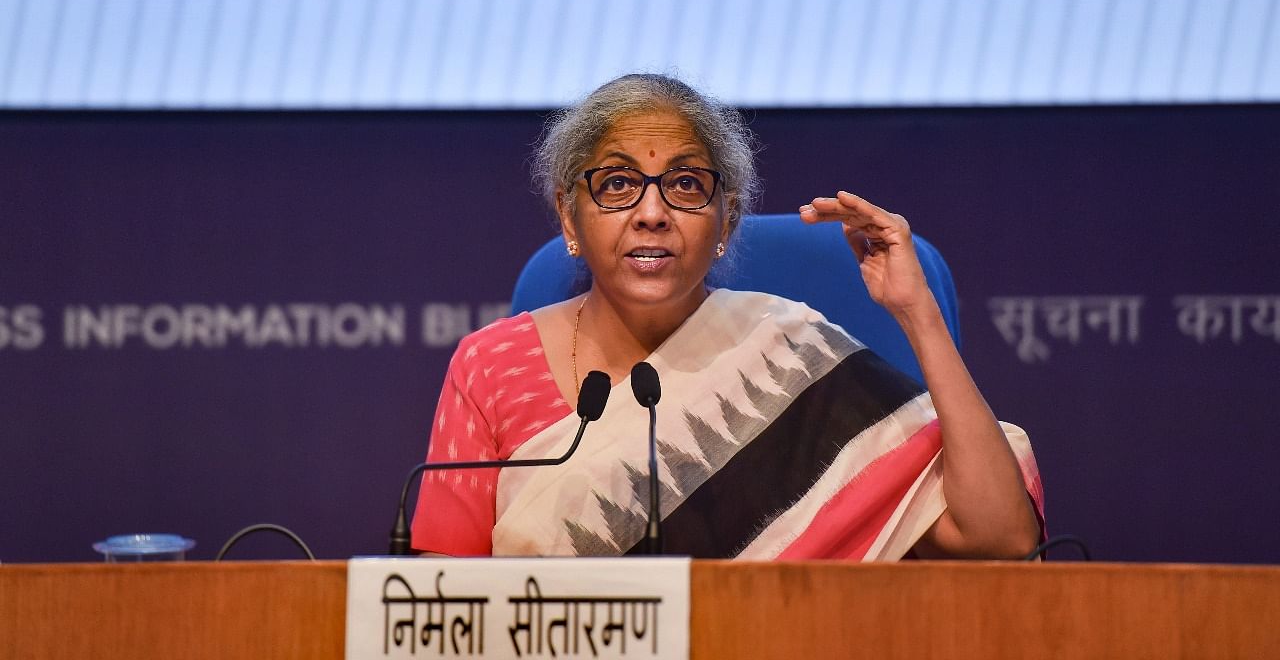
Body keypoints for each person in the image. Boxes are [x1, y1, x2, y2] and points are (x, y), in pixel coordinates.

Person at [411, 74, 1044, 559]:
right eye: (617, 184)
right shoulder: (491, 367)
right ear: (569, 218)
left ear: (726, 221)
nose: (652, 212)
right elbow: (439, 597)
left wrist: (919, 316)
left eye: (686, 184)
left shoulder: (790, 354)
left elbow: (1001, 535)